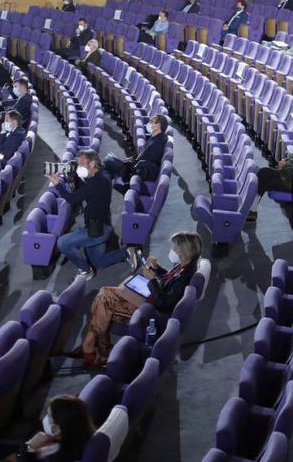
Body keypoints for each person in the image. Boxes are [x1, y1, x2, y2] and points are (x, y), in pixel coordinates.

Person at [74, 231, 199, 366]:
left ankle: (92, 346)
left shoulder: (185, 279)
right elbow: (168, 279)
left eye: (175, 249)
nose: (172, 251)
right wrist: (156, 269)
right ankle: (97, 347)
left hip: (151, 313)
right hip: (151, 300)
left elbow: (163, 304)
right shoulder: (184, 265)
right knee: (104, 299)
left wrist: (151, 280)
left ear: (183, 252)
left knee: (104, 298)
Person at [48, 151, 125, 281]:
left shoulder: (95, 183)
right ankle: (127, 253)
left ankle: (85, 270)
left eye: (82, 163)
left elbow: (72, 199)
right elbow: (88, 187)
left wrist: (57, 183)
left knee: (62, 243)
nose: (79, 167)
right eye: (78, 163)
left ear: (92, 163)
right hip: (101, 224)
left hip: (97, 231)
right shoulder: (102, 175)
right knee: (99, 262)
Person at [6, 395, 95, 462]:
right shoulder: (77, 433)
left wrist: (30, 447)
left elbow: (19, 457)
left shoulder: (60, 456)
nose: (45, 419)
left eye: (49, 417)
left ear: (59, 428)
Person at [104, 114, 168, 187]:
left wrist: (130, 164)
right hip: (135, 166)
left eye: (151, 121)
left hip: (137, 171)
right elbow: (144, 155)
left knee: (108, 161)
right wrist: (132, 158)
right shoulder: (154, 137)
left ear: (158, 125)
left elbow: (147, 160)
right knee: (108, 164)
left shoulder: (158, 142)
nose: (149, 123)